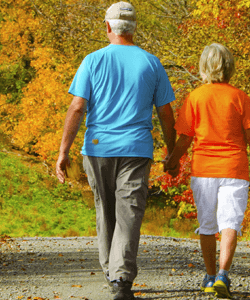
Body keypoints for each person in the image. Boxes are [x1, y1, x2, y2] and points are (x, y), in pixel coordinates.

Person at [55, 2, 176, 300]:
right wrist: (173, 151)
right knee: (130, 211)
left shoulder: (92, 61)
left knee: (106, 209)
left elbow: (77, 106)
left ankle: (115, 274)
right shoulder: (151, 63)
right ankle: (119, 276)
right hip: (137, 148)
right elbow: (165, 112)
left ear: (108, 27)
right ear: (134, 28)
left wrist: (64, 150)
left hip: (98, 149)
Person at [163, 43, 250, 299]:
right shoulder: (239, 97)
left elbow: (185, 138)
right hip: (234, 167)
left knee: (207, 224)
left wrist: (172, 161)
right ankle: (222, 275)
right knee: (231, 222)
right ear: (229, 67)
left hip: (204, 169)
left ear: (203, 67)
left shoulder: (196, 97)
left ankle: (209, 277)